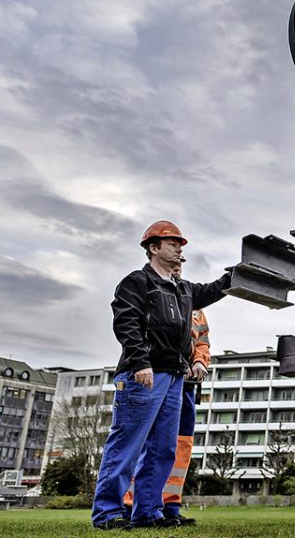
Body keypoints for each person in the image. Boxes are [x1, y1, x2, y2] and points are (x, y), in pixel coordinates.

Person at [92, 220, 230, 530]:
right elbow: (126, 323)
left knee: (162, 449)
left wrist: (235, 274)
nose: (180, 248)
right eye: (173, 243)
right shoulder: (137, 282)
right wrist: (140, 362)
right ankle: (108, 513)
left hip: (174, 377)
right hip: (144, 374)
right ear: (153, 248)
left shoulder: (183, 288)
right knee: (127, 444)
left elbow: (211, 291)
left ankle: (148, 513)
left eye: (181, 243)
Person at [122, 258, 211, 526]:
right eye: (173, 265)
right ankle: (132, 504)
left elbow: (203, 340)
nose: (177, 268)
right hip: (161, 375)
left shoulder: (194, 307)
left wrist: (199, 362)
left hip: (186, 384)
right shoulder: (152, 295)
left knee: (179, 446)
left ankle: (169, 505)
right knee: (148, 443)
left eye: (180, 266)